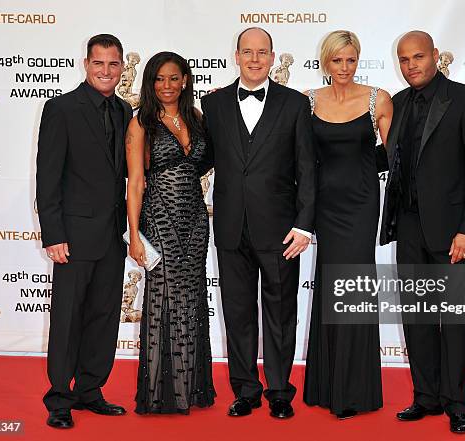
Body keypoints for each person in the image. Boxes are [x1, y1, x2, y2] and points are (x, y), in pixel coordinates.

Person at [380, 31, 465, 434]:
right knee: (417, 318)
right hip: (408, 226)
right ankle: (426, 397)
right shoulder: (395, 103)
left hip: (451, 232)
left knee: (453, 319)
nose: (411, 65)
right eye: (404, 59)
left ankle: (458, 403)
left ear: (435, 56)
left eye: (418, 57)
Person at [200, 27, 316, 419]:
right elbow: (203, 160)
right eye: (247, 52)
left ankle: (280, 391)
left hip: (282, 229)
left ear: (272, 57)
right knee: (237, 311)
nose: (254, 59)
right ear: (235, 55)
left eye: (262, 53)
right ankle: (245, 389)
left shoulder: (296, 104)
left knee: (281, 312)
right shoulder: (212, 106)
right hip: (231, 226)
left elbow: (307, 170)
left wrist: (304, 225)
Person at [36, 34, 132, 429]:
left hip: (113, 236)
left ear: (122, 67)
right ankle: (59, 398)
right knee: (67, 318)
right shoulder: (61, 108)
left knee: (104, 316)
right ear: (85, 64)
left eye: (113, 64)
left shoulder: (127, 110)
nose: (106, 71)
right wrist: (53, 234)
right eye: (99, 63)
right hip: (73, 238)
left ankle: (90, 390)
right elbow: (48, 178)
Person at [302, 30, 392, 420]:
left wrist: (359, 171)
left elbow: (394, 154)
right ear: (326, 61)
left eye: (351, 60)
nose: (344, 67)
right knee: (329, 280)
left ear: (358, 60)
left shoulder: (377, 99)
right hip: (324, 205)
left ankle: (353, 389)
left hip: (359, 204)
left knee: (353, 281)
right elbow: (299, 157)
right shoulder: (307, 101)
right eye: (337, 60)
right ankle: (326, 384)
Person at [126, 51, 215, 415]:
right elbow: (135, 183)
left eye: (173, 78)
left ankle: (190, 389)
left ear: (185, 80)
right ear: (150, 83)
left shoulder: (196, 119)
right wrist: (134, 234)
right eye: (159, 79)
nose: (167, 86)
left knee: (190, 297)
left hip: (195, 218)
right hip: (159, 217)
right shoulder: (141, 123)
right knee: (162, 296)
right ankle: (160, 391)